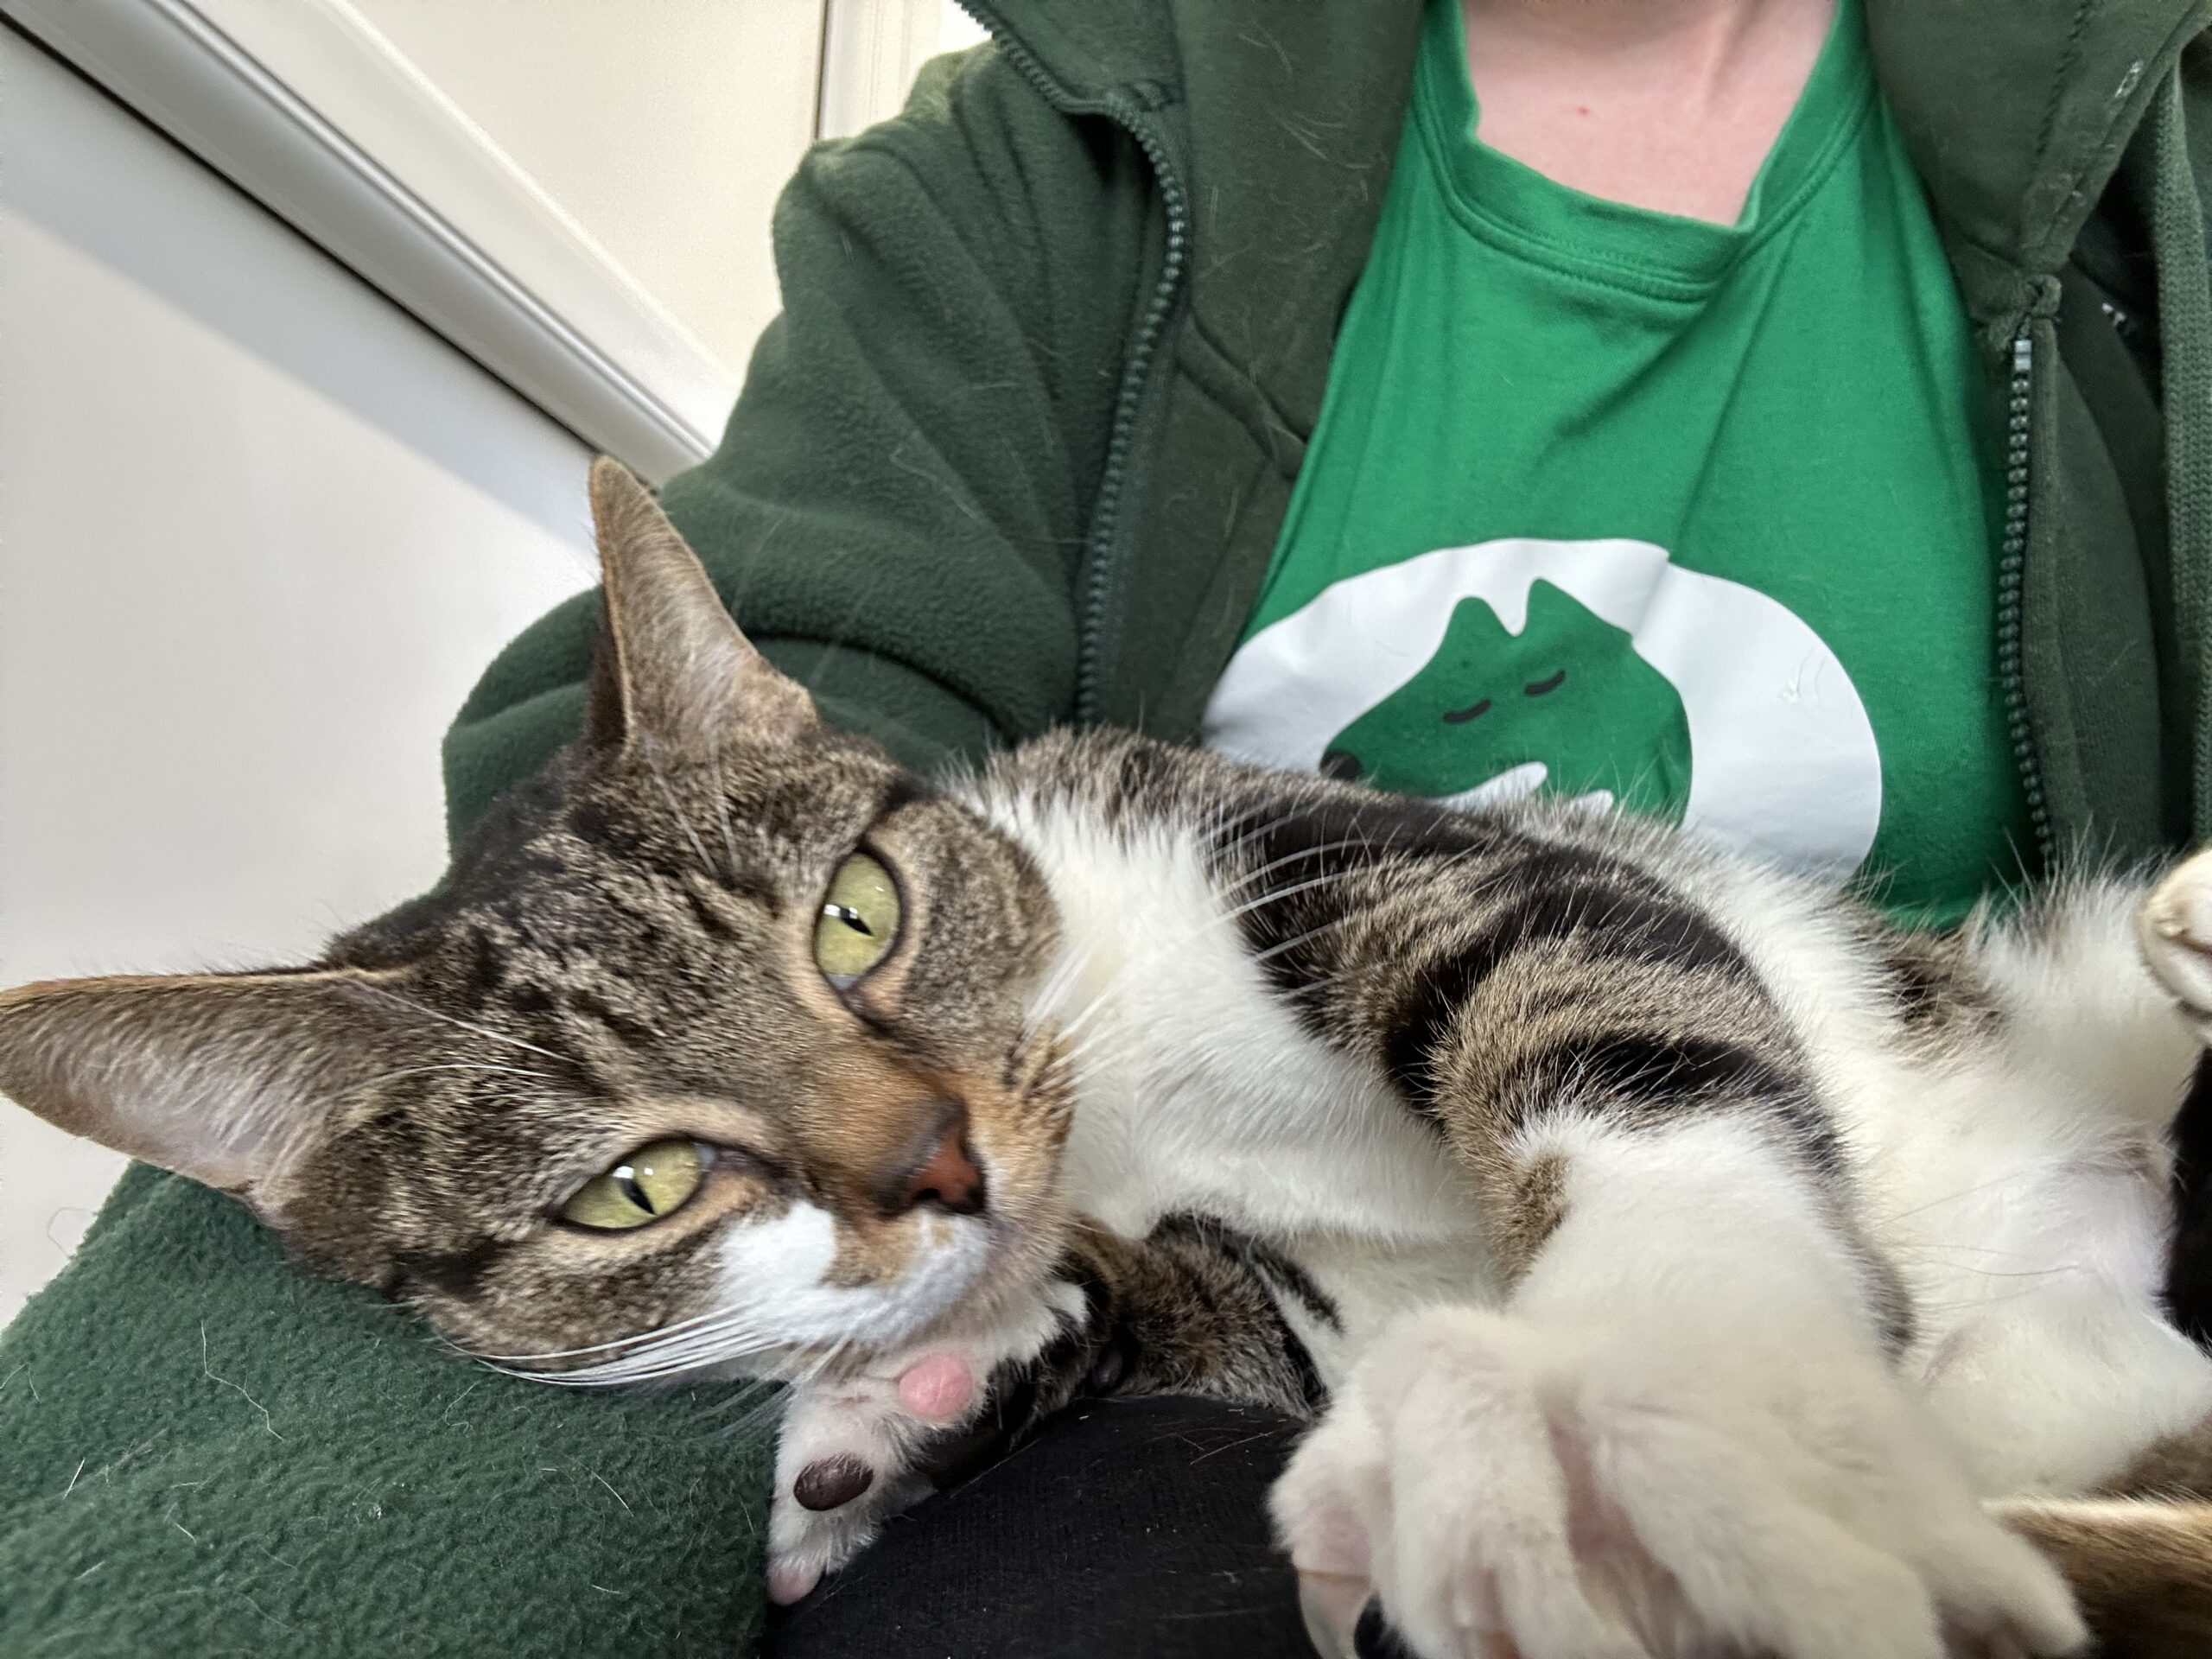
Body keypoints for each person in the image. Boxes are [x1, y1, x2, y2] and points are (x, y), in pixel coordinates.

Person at [4, 0, 2209, 1654]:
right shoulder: (1011, 168)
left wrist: (1693, 1326)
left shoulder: (1104, 865)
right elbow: (789, 702)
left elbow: (1520, 947)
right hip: (1897, 1341)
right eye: (663, 1165)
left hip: (2044, 1074)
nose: (915, 1139)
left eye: (858, 931)